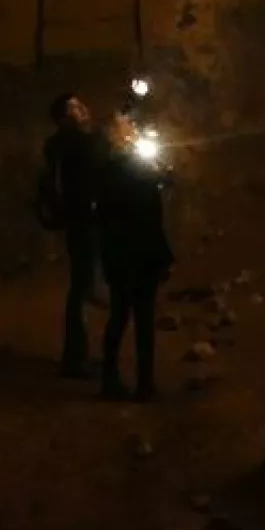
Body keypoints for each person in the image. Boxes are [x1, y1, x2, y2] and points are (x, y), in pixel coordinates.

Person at [95, 115, 174, 402]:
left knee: (123, 315)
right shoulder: (128, 171)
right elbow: (148, 215)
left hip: (120, 252)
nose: (131, 128)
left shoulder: (112, 171)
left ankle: (115, 378)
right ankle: (140, 382)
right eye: (124, 125)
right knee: (138, 317)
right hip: (137, 252)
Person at [40, 93, 107, 378]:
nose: (83, 110)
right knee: (82, 287)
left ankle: (76, 354)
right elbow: (98, 153)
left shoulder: (65, 143)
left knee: (83, 283)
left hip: (84, 219)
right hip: (83, 219)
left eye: (82, 104)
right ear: (64, 117)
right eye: (75, 108)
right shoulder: (72, 142)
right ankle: (74, 358)